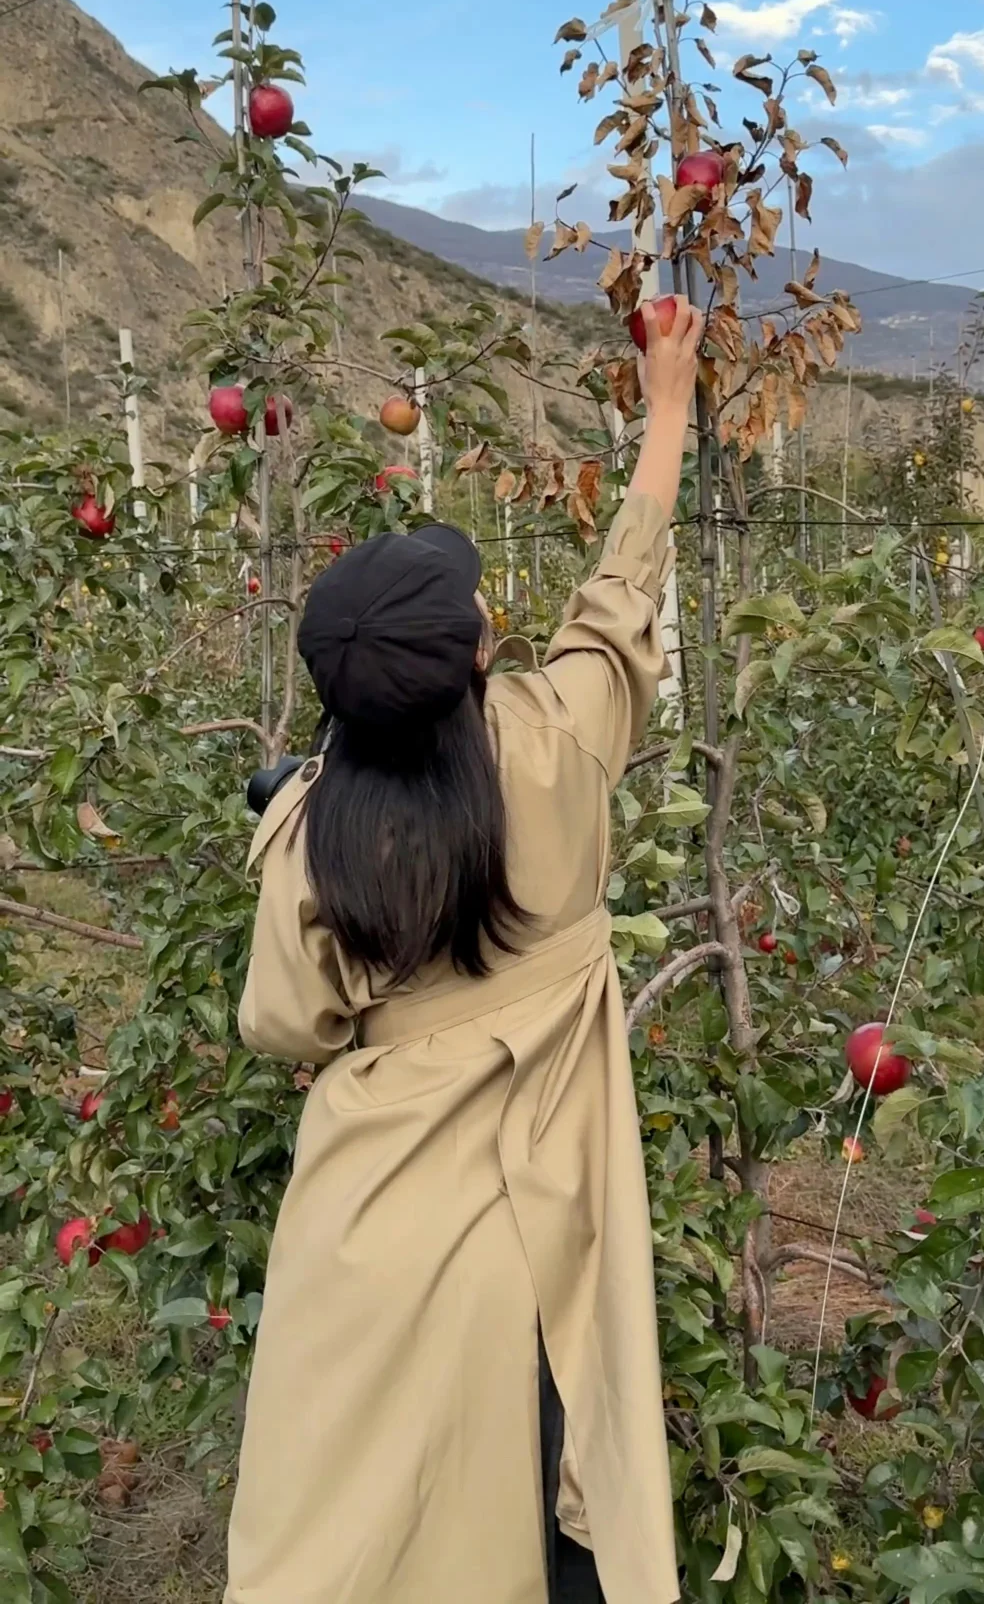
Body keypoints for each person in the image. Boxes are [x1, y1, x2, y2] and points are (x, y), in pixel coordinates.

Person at [224, 295, 702, 1604]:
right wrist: (668, 403)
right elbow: (619, 600)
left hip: (371, 1238)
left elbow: (284, 1027)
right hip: (537, 1241)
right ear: (485, 661)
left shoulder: (318, 841)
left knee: (362, 1542)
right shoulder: (555, 749)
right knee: (550, 1538)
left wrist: (298, 819)